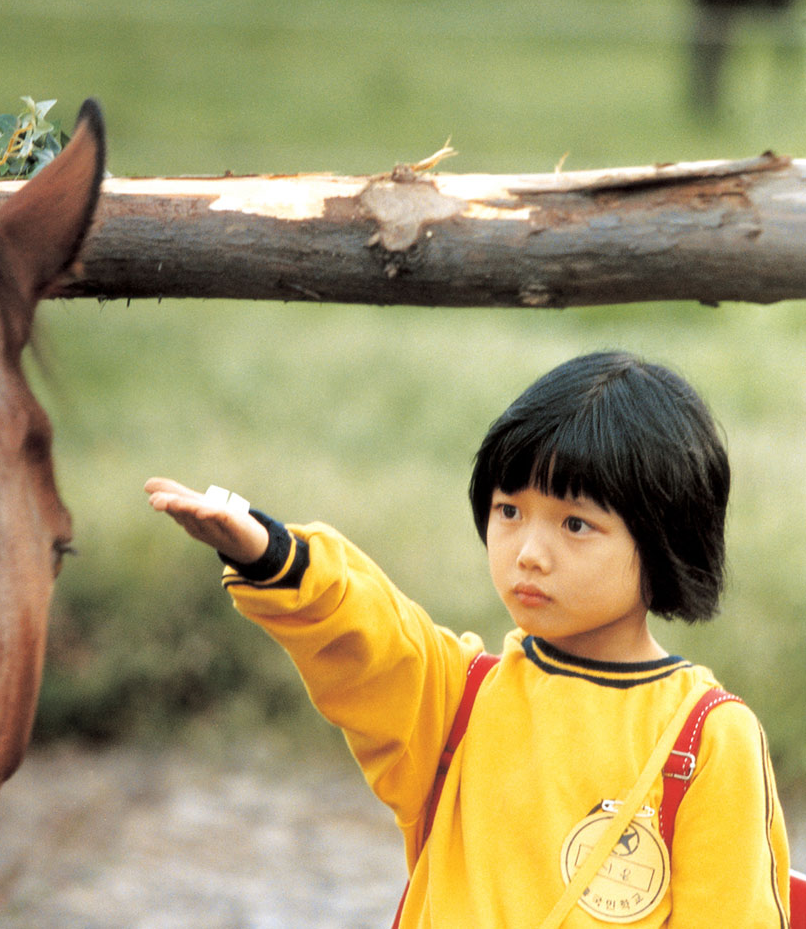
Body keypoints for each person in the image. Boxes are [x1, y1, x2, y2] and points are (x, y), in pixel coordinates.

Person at [145, 351, 791, 927]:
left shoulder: (706, 739)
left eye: (575, 522)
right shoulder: (459, 699)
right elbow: (369, 633)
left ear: (663, 539)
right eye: (509, 510)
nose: (529, 553)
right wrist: (270, 554)